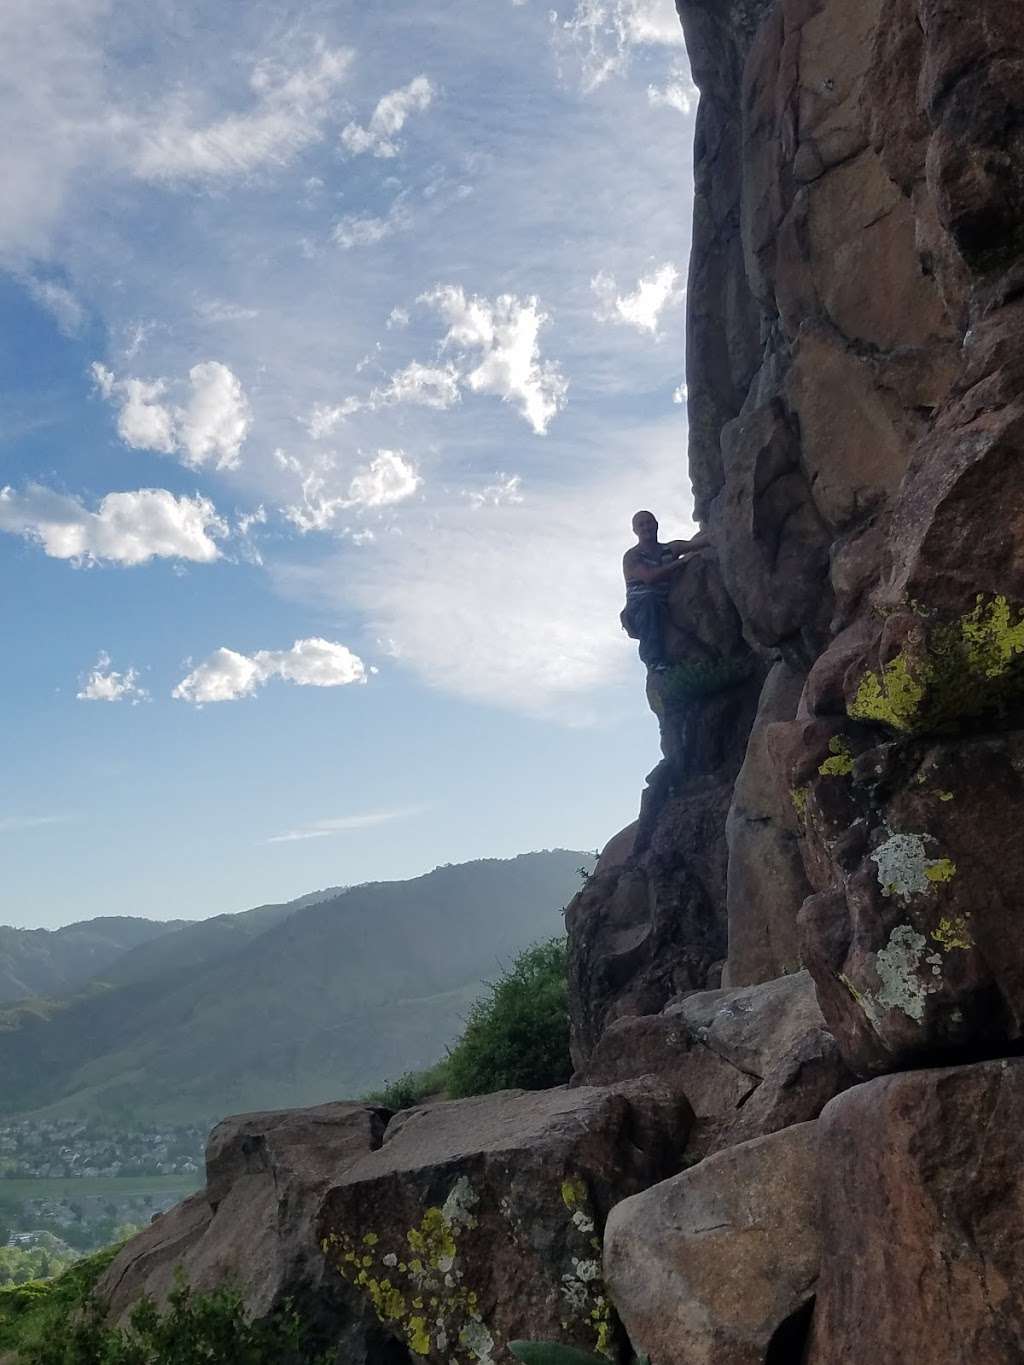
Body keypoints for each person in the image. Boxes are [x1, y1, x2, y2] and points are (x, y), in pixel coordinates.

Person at [621, 510, 708, 671]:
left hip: (664, 603)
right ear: (635, 530)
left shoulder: (671, 548)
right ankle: (653, 661)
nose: (646, 527)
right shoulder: (632, 556)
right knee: (649, 599)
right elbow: (648, 577)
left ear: (656, 524)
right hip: (640, 607)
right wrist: (680, 563)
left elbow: (697, 543)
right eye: (641, 524)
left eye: (649, 522)